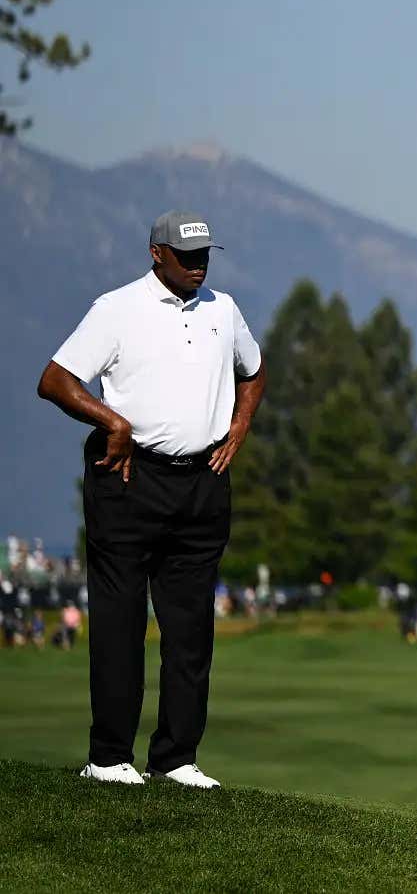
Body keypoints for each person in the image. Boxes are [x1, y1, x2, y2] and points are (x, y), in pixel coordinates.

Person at [37, 211, 266, 789]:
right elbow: (56, 379)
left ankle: (175, 758)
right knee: (119, 623)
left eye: (204, 255)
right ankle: (110, 758)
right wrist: (109, 419)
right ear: (156, 253)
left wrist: (239, 427)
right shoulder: (115, 310)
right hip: (129, 478)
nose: (198, 265)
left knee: (191, 630)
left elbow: (255, 371)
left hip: (203, 483)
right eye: (186, 256)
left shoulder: (224, 309)